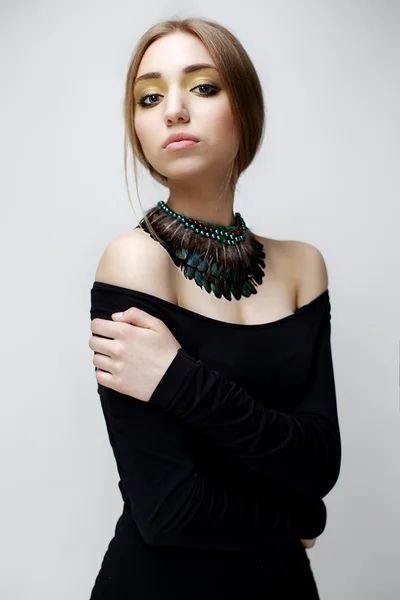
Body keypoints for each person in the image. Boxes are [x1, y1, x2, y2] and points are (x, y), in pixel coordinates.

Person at [88, 16, 341, 599]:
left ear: (245, 108)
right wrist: (299, 519)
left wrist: (177, 379)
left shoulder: (304, 267)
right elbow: (170, 511)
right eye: (149, 97)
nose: (173, 110)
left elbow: (318, 465)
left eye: (202, 86)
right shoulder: (134, 262)